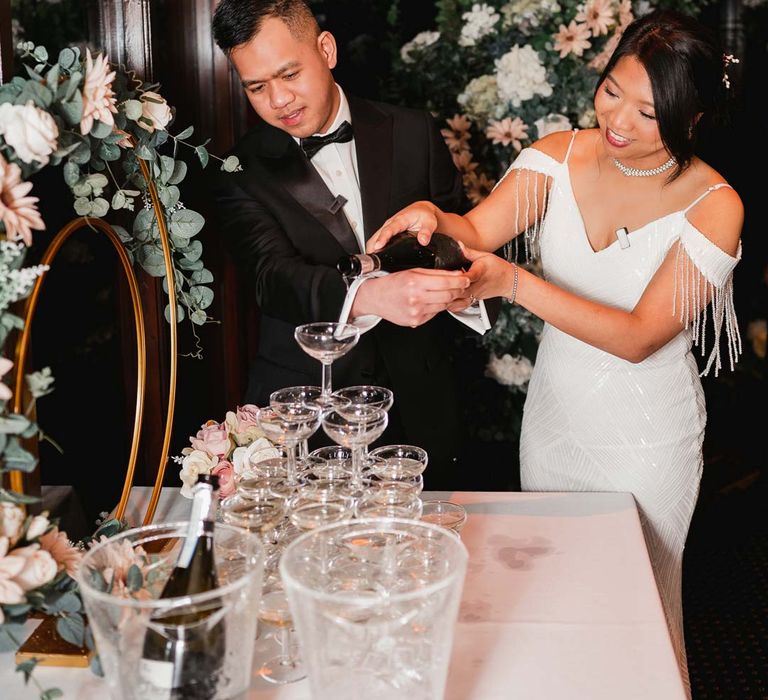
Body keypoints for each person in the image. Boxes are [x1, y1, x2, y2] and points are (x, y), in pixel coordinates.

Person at [368, 10, 743, 695]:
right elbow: (477, 227)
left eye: (649, 112)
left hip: (647, 438)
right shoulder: (559, 153)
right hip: (555, 422)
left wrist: (513, 281)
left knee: (640, 614)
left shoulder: (716, 206)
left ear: (691, 119)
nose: (619, 120)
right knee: (553, 603)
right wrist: (433, 218)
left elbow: (638, 337)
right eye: (611, 91)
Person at [210, 0, 483, 489]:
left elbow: (461, 239)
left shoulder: (414, 131)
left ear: (326, 49)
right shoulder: (239, 170)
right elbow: (272, 277)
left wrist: (456, 279)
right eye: (256, 87)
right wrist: (370, 296)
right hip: (306, 409)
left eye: (289, 74)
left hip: (421, 401)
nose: (278, 101)